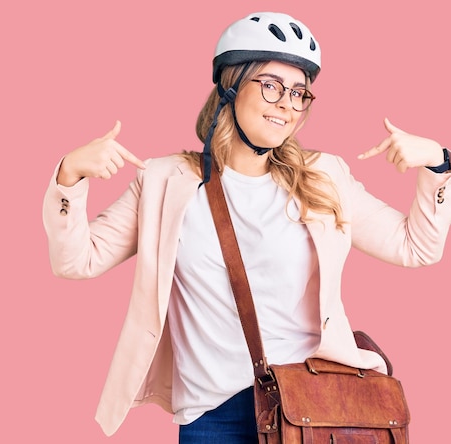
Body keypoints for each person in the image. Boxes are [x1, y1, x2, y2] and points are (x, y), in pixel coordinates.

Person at [42, 11, 451, 443]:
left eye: (299, 93)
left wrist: (438, 165)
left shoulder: (325, 177)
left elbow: (416, 246)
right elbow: (77, 261)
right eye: (272, 86)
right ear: (230, 87)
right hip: (210, 415)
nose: (287, 105)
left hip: (309, 407)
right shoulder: (165, 181)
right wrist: (70, 177)